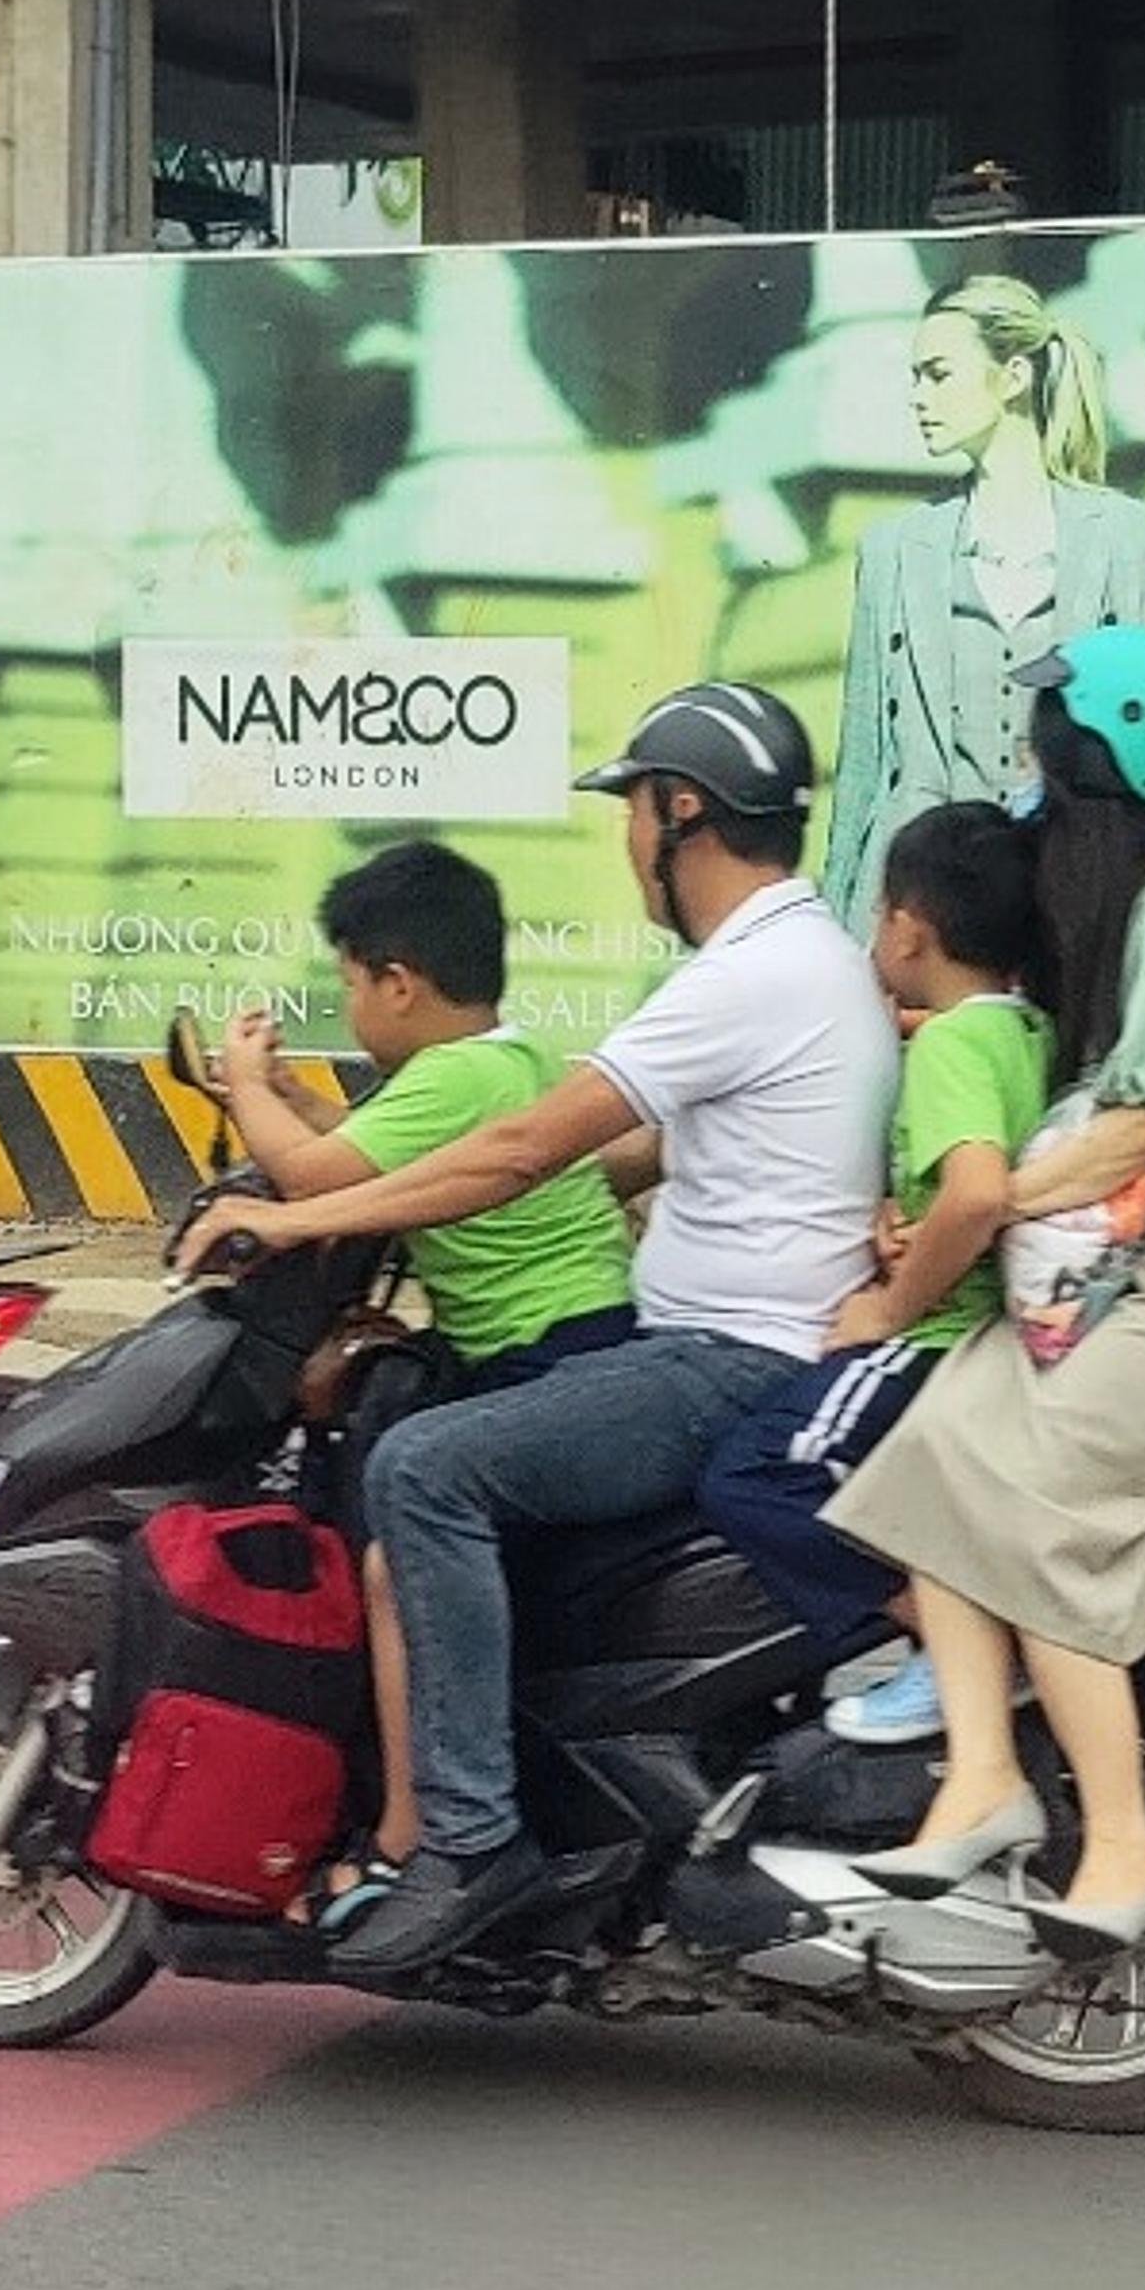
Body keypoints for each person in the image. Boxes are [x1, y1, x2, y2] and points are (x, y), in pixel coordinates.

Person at [168, 682, 897, 1975]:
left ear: (681, 813)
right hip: (741, 1341)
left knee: (424, 1467)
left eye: (632, 810)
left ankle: (468, 1839)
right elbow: (631, 1158)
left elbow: (513, 1154)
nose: (627, 844)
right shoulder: (816, 960)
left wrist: (281, 1224)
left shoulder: (745, 973)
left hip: (720, 1359)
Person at [826, 623, 1145, 1960]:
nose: (1026, 764)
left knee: (1037, 1528)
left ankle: (1123, 1848)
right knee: (928, 1457)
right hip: (1112, 1270)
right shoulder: (1100, 915)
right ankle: (980, 1782)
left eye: (1045, 742)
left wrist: (986, 1205)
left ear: (1090, 756)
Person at [196, 838, 641, 1920]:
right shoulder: (515, 1062)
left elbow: (312, 1182)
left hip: (546, 1355)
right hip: (586, 1340)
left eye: (348, 982)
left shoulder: (452, 1078)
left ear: (399, 982)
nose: (348, 1002)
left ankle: (418, 1833)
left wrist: (248, 1085)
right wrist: (301, 1098)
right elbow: (367, 1159)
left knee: (399, 1555)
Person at [695, 801, 1049, 1668]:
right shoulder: (1027, 1030)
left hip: (930, 1339)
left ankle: (937, 1634)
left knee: (753, 1474)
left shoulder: (951, 1050)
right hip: (988, 1339)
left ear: (907, 927)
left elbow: (974, 1196)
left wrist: (889, 1307)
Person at [817, 274, 1145, 935]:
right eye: (915, 378)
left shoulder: (1126, 538)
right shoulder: (894, 548)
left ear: (1011, 377)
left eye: (938, 374)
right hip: (921, 909)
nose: (918, 397)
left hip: (1068, 901)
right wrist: (837, 931)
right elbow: (862, 767)